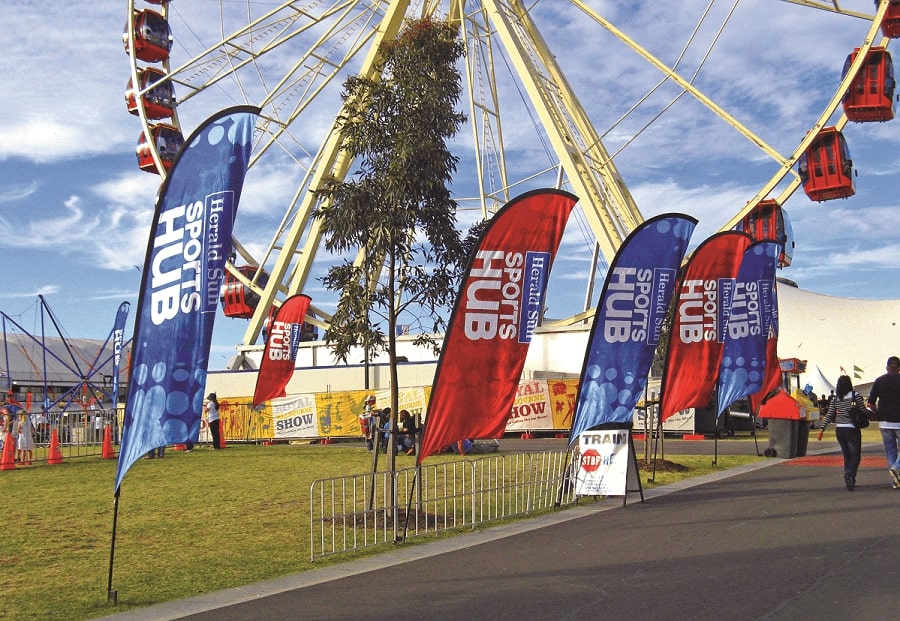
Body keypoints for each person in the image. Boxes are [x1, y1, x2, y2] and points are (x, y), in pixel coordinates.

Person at [816, 374, 867, 491]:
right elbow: (863, 411)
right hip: (852, 429)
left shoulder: (835, 399)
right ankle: (849, 474)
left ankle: (850, 478)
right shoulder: (855, 396)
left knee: (846, 455)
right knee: (855, 456)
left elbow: (829, 415)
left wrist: (821, 429)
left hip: (840, 430)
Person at [867, 355, 900, 489]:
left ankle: (894, 479)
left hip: (884, 421)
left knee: (890, 451)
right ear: (898, 368)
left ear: (887, 368)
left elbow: (870, 402)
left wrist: (875, 413)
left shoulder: (879, 381)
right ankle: (896, 467)